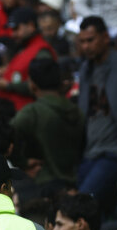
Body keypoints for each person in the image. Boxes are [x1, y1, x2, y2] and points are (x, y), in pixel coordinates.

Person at [75, 17, 117, 205]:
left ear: (105, 37)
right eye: (82, 41)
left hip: (116, 151)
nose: (86, 46)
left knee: (82, 203)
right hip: (90, 152)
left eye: (90, 40)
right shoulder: (86, 69)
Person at [10, 57, 83, 185]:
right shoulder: (78, 111)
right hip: (78, 180)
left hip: (44, 183)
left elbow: (4, 136)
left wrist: (22, 162)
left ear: (32, 84)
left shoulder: (33, 113)